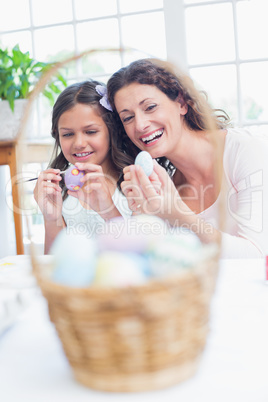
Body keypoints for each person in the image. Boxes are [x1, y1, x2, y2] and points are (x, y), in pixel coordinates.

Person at [107, 58, 268, 258]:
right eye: (128, 118)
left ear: (182, 103)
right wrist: (142, 217)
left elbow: (257, 256)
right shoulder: (163, 188)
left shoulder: (246, 151)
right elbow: (147, 266)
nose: (140, 125)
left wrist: (178, 214)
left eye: (150, 107)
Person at [34, 80, 132, 254]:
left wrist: (108, 210)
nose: (79, 143)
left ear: (112, 130)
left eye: (91, 132)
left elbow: (141, 254)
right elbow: (53, 262)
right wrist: (52, 218)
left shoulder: (132, 184)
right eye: (68, 134)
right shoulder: (61, 192)